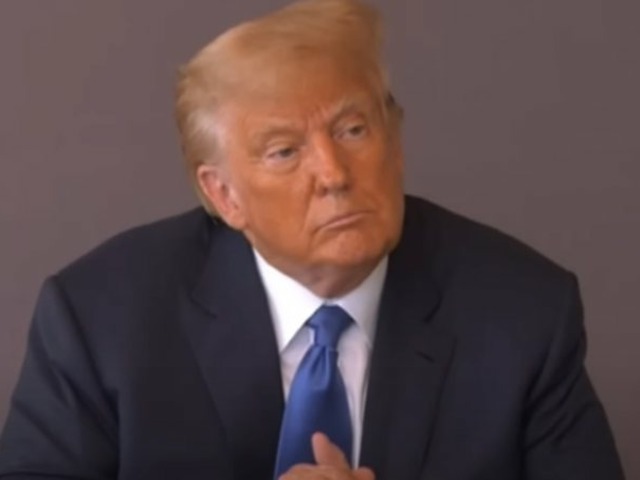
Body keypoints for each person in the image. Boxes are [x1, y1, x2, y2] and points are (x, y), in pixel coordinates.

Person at [0, 0, 625, 479]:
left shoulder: (522, 314)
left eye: (353, 130)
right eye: (284, 151)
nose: (333, 174)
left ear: (395, 140)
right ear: (224, 195)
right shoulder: (100, 320)